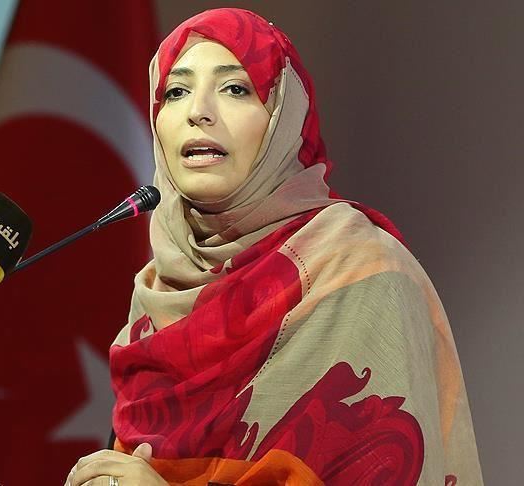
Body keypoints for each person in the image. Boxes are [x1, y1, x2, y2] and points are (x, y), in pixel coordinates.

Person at [65, 8, 482, 486]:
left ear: (283, 119)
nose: (198, 111)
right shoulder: (158, 295)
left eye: (235, 88)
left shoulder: (360, 272)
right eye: (176, 91)